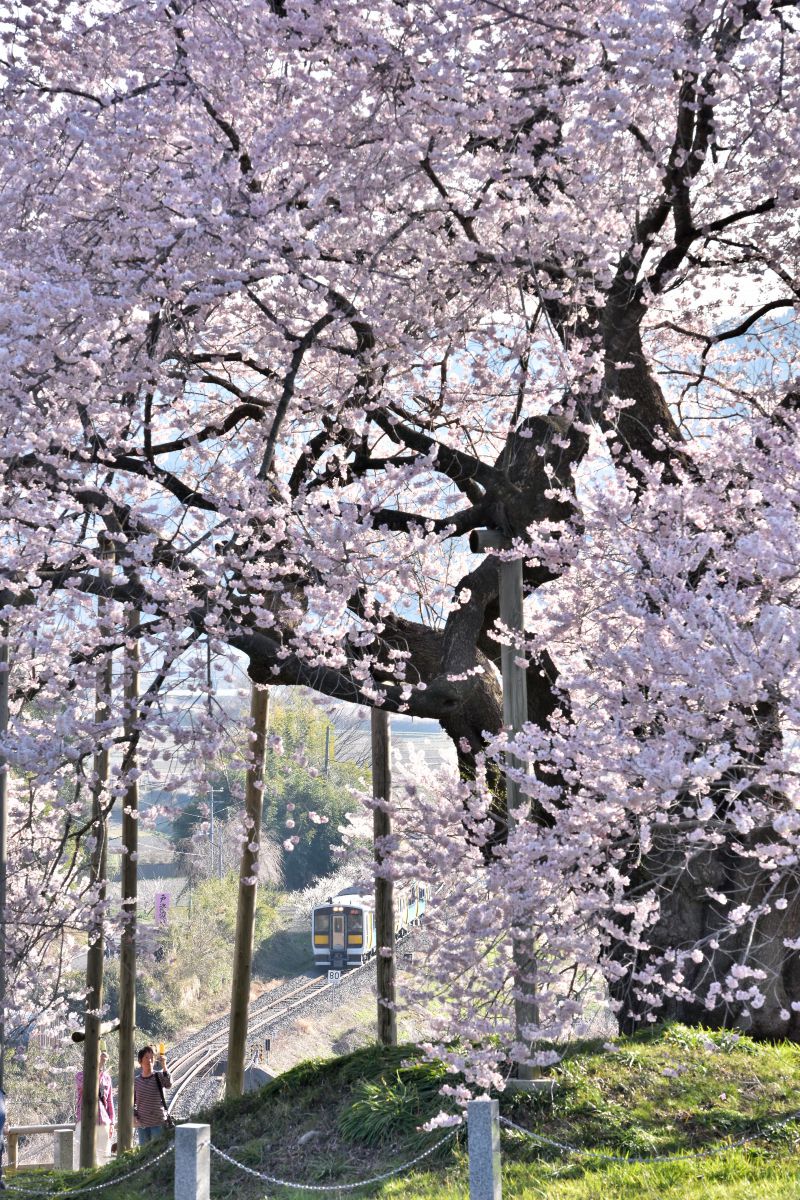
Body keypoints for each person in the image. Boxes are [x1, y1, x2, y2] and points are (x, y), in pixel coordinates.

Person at [74, 1047, 115, 1167]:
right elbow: (91, 1086)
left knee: (104, 1159)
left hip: (103, 1122)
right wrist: (99, 1068)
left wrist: (112, 1123)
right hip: (84, 1122)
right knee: (83, 1158)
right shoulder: (80, 1076)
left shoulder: (107, 1078)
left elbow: (109, 1101)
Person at [133, 1046, 172, 1145]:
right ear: (140, 1061)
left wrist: (164, 1066)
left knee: (158, 1151)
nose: (149, 1060)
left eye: (152, 1058)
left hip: (158, 1122)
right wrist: (134, 1116)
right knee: (144, 1154)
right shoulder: (136, 1081)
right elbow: (132, 1102)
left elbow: (169, 1084)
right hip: (142, 1125)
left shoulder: (158, 1076)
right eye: (146, 1057)